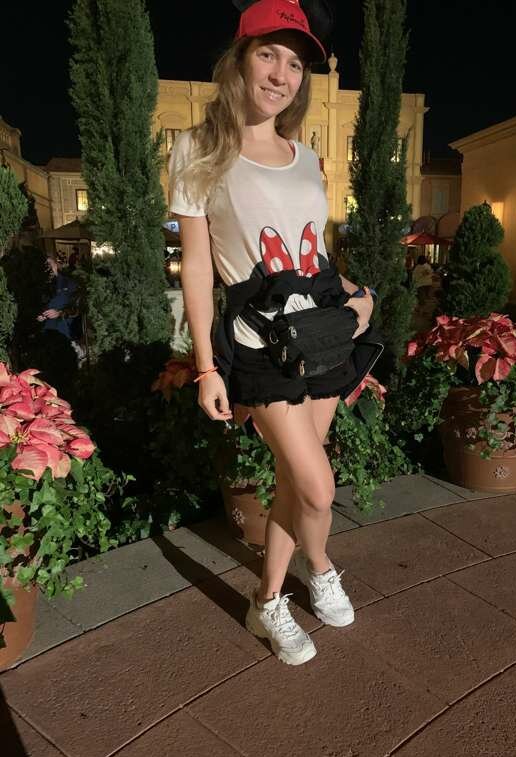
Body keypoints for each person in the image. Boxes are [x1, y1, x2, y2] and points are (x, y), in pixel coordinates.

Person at [169, 0, 382, 666]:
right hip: (261, 346)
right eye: (268, 54)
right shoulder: (197, 149)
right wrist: (207, 367)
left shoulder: (305, 156)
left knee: (296, 480)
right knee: (317, 488)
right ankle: (317, 567)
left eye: (295, 63)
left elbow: (314, 252)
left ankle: (270, 600)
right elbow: (197, 266)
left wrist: (358, 299)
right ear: (238, 60)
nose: (282, 74)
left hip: (323, 334)